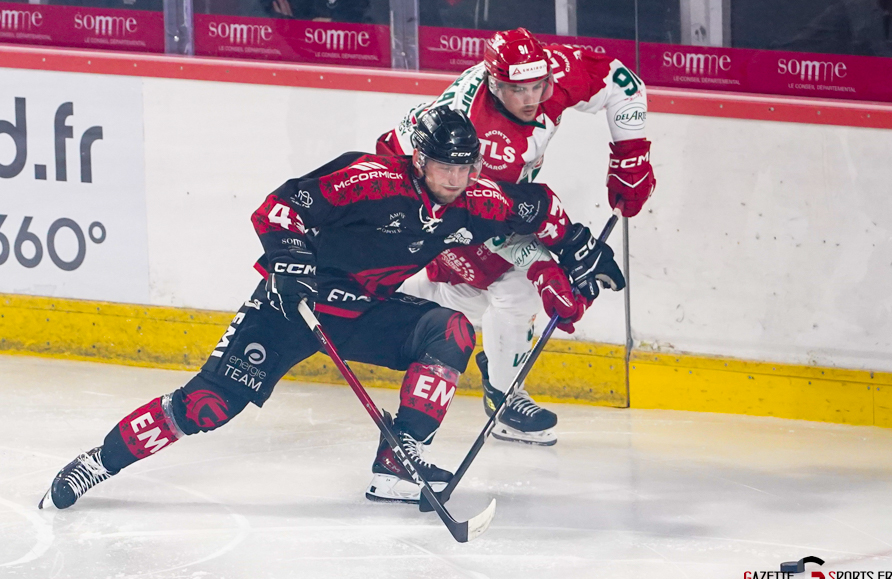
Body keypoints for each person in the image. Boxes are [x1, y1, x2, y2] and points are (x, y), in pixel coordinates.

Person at [39, 106, 624, 510]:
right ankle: (98, 461)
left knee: (449, 331)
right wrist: (291, 259)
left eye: (465, 166)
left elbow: (538, 207)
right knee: (208, 405)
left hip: (361, 314)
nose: (456, 177)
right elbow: (279, 208)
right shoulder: (369, 178)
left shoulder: (473, 199)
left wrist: (577, 253)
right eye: (445, 165)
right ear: (420, 160)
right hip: (290, 309)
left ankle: (397, 466)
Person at [377, 27, 654, 445]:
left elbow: (623, 83)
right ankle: (503, 397)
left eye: (538, 86)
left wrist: (631, 156)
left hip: (484, 197)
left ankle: (397, 311)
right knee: (516, 282)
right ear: (492, 83)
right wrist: (542, 264)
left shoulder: (553, 73)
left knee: (472, 293)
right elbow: (477, 211)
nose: (531, 99)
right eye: (516, 89)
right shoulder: (472, 128)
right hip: (429, 198)